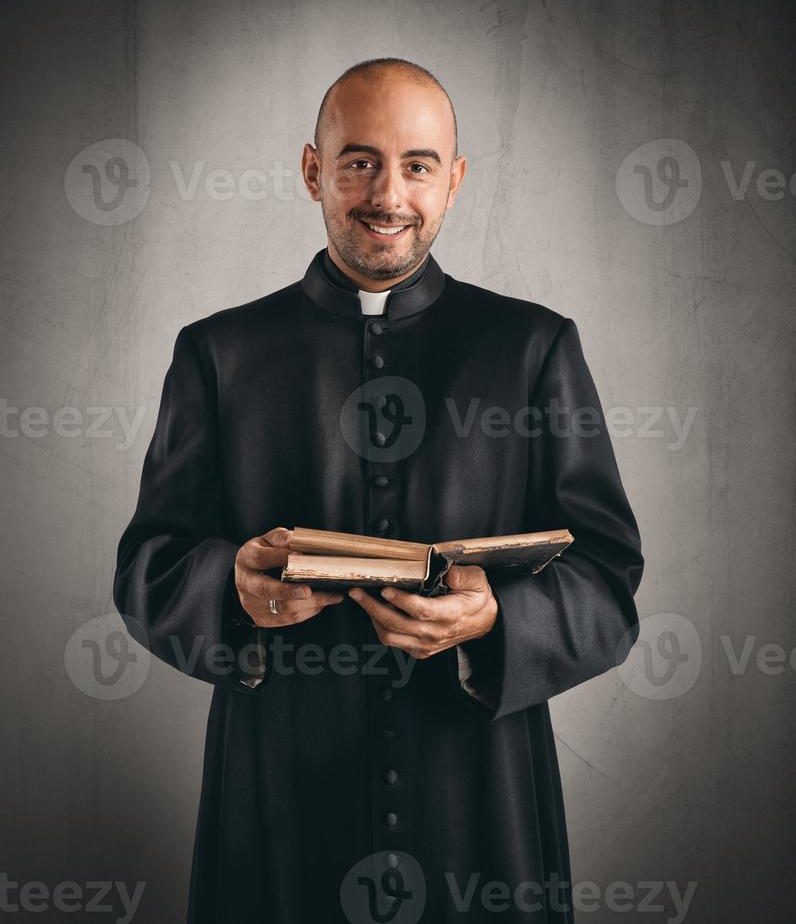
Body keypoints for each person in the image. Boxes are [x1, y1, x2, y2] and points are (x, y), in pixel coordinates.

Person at [114, 58, 643, 924]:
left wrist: (497, 619)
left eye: (418, 164)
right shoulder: (220, 352)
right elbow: (149, 565)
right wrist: (231, 589)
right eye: (358, 161)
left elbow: (610, 578)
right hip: (277, 793)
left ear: (456, 180)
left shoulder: (533, 347)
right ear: (313, 170)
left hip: (479, 794)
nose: (387, 193)